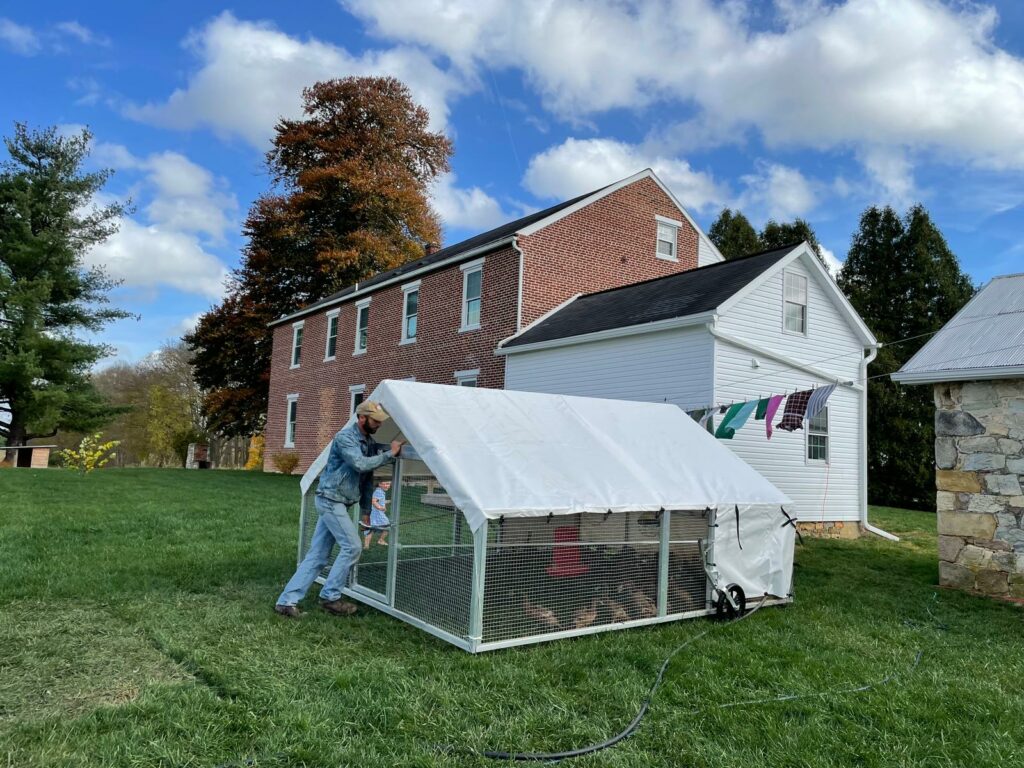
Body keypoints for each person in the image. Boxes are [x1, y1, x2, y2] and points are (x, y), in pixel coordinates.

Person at [274, 400, 403, 618]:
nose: (379, 425)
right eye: (375, 420)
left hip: (339, 501)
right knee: (352, 547)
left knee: (318, 555)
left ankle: (286, 602)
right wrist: (390, 454)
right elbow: (361, 464)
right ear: (361, 418)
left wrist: (366, 511)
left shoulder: (367, 442)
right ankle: (331, 597)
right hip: (330, 500)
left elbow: (366, 478)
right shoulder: (346, 438)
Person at [363, 480, 391, 549]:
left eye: (388, 484)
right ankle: (381, 540)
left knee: (370, 529)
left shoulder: (379, 491)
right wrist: (381, 508)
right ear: (379, 484)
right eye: (384, 484)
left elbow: (378, 500)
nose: (386, 486)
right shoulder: (379, 492)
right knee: (387, 526)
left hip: (372, 513)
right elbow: (373, 501)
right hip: (377, 514)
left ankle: (366, 546)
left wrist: (386, 502)